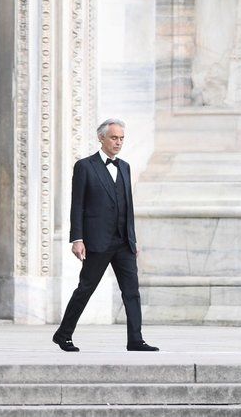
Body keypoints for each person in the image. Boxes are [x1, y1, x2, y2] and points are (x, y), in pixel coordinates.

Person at [53, 118, 157, 353]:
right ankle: (63, 334)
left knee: (131, 291)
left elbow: (127, 205)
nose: (118, 142)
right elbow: (76, 205)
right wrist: (77, 239)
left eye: (121, 138)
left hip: (123, 242)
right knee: (85, 288)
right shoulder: (85, 166)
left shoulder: (125, 167)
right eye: (114, 138)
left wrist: (132, 238)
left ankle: (135, 339)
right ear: (101, 138)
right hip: (97, 241)